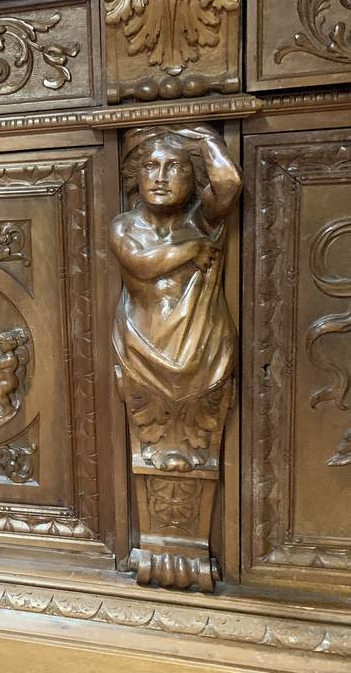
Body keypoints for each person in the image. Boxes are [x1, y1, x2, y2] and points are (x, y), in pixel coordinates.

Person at [110, 125, 242, 472]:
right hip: (143, 346)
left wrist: (205, 140)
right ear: (136, 176)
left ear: (193, 176)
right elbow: (140, 264)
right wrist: (192, 249)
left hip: (200, 344)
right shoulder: (124, 226)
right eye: (151, 166)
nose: (160, 177)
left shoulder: (200, 219)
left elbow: (229, 185)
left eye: (175, 167)